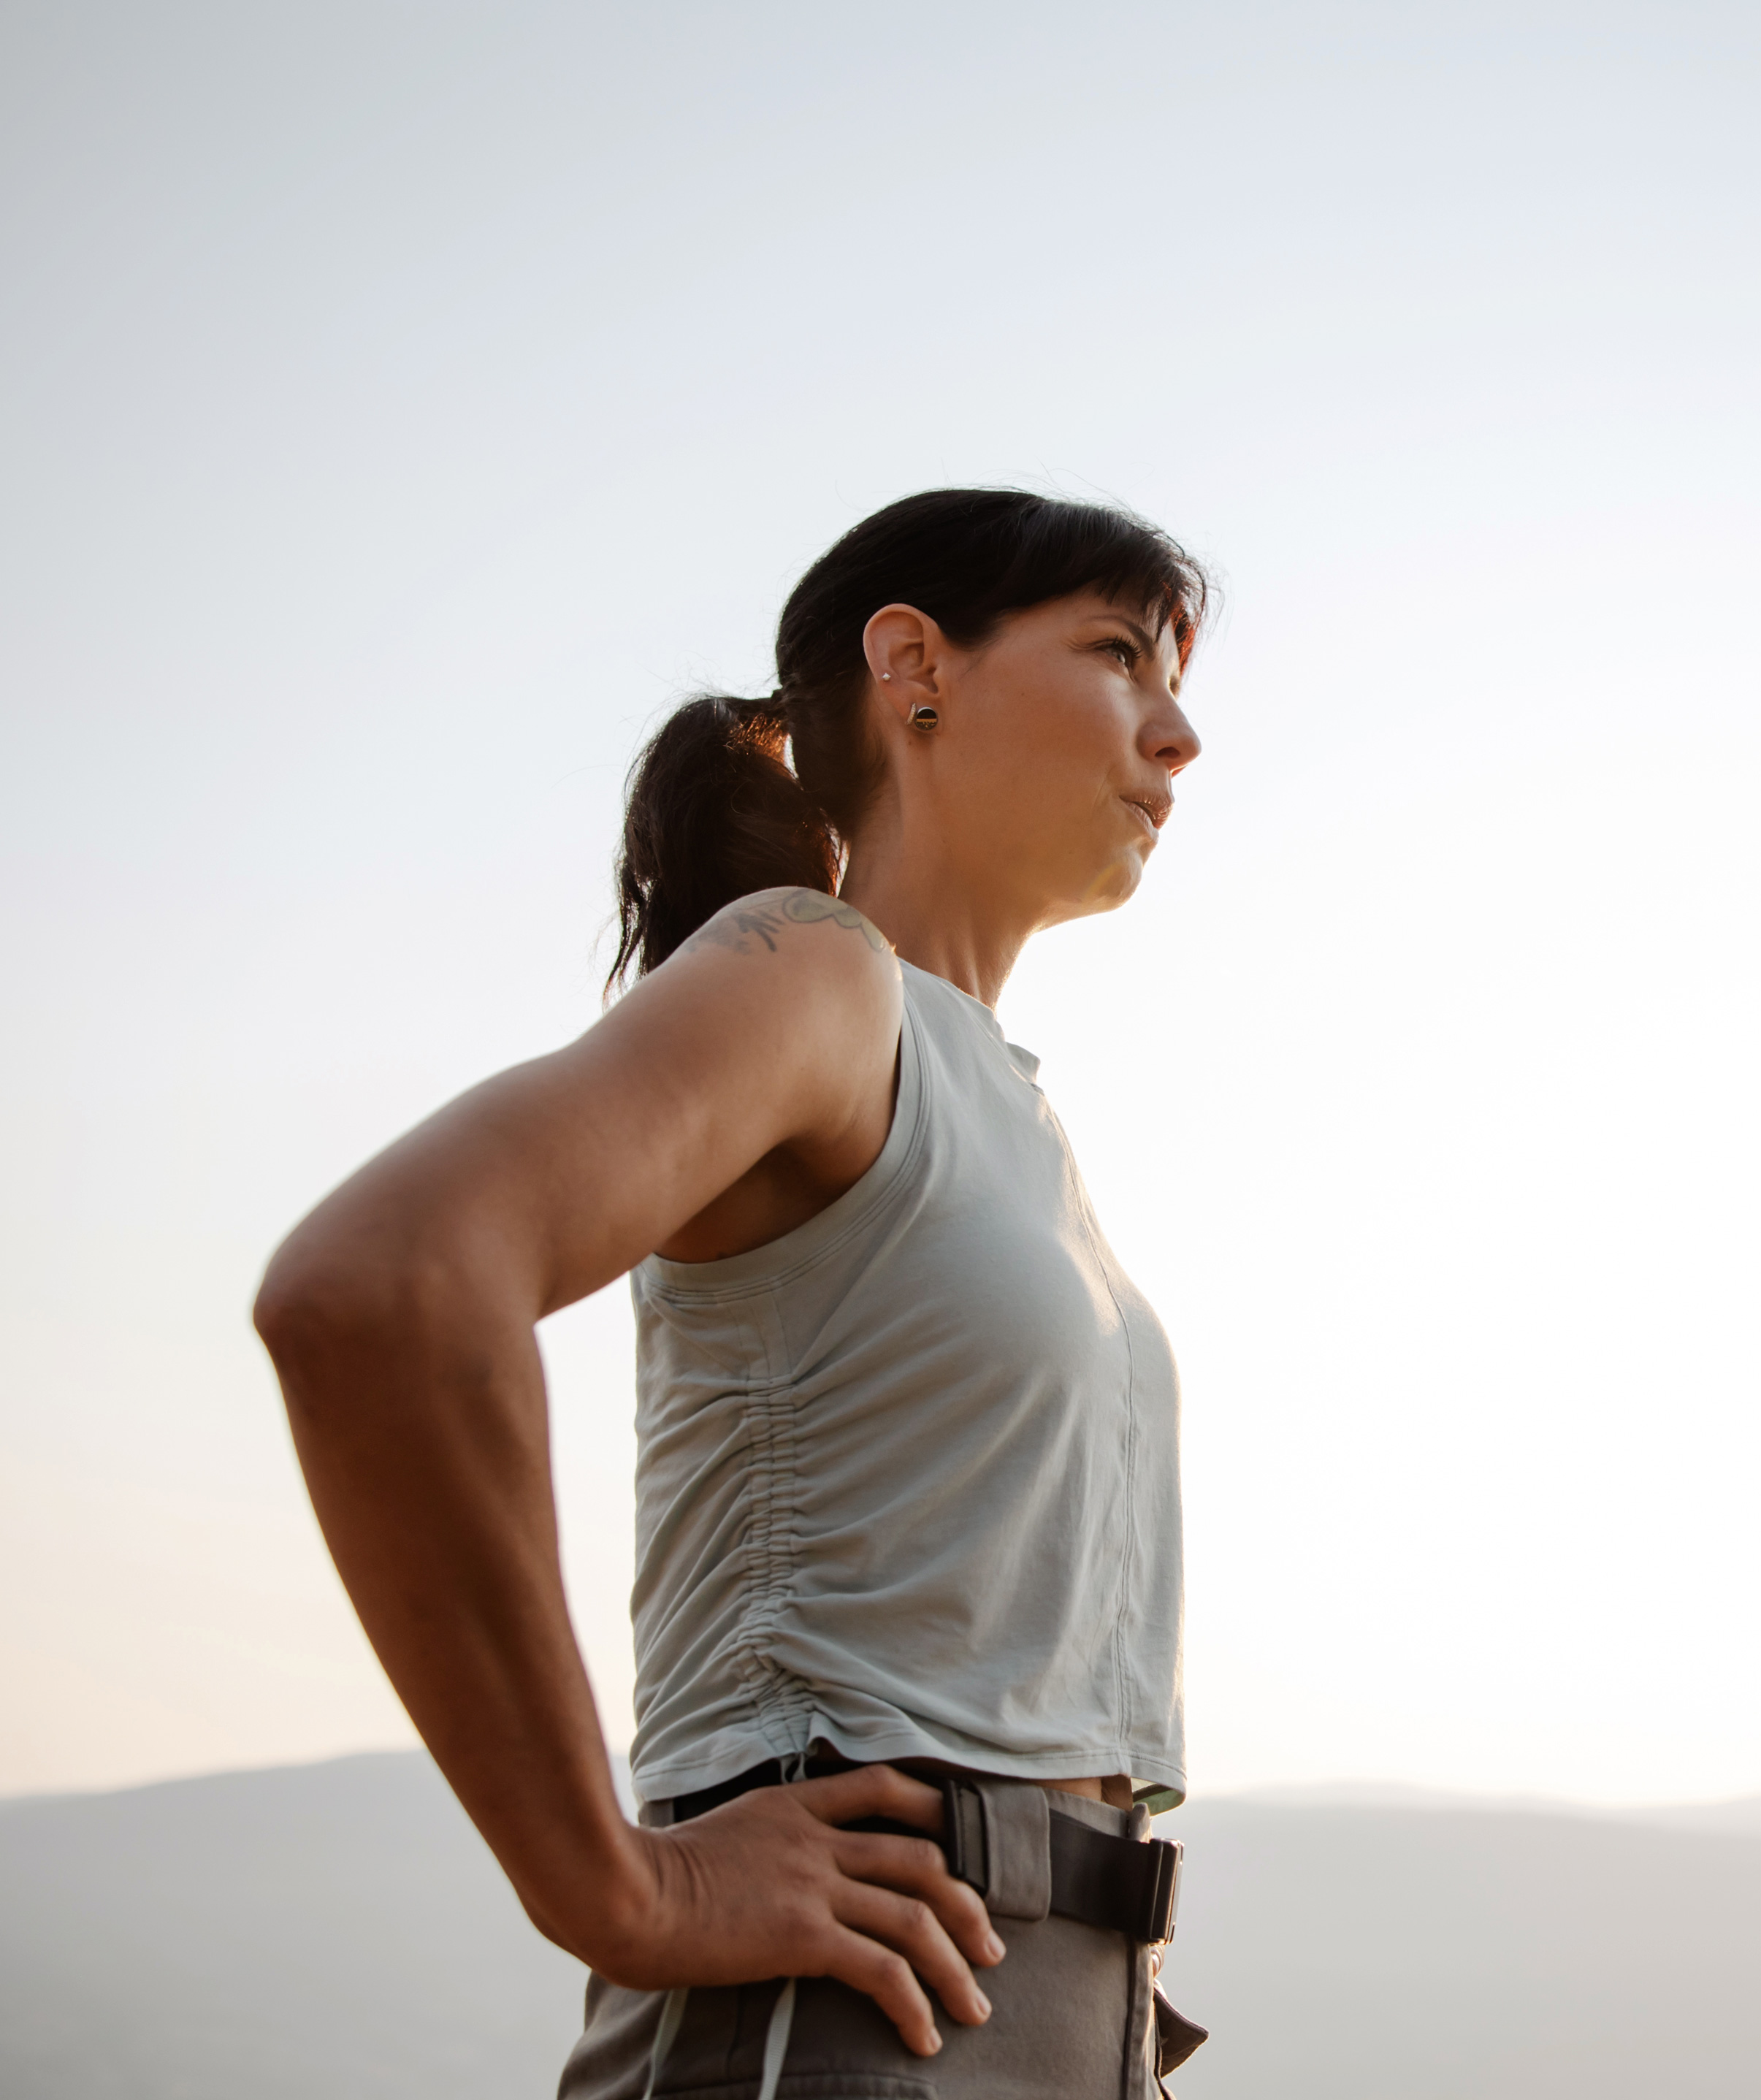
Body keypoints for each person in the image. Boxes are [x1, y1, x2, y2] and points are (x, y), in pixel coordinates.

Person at [253, 487, 1212, 2098]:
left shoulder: (1010, 1112)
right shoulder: (819, 979)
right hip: (843, 2017)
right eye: (1119, 653)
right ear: (914, 665)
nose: (1175, 734)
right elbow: (386, 1288)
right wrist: (615, 1886)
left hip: (1060, 2021)